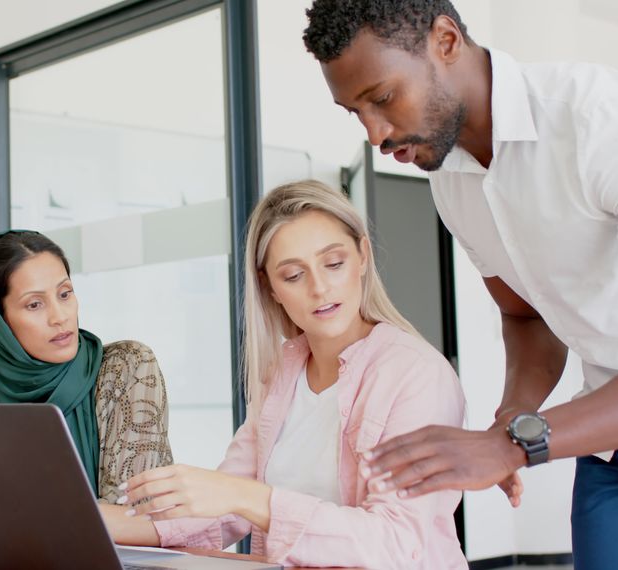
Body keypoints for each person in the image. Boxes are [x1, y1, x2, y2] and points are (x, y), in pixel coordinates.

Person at [303, 1, 618, 568]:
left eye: (383, 98)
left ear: (446, 40)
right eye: (354, 111)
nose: (375, 134)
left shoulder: (609, 122)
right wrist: (514, 415)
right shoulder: (453, 182)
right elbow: (527, 316)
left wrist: (514, 444)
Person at [102, 180, 468, 569]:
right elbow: (221, 512)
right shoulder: (282, 373)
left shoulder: (417, 375)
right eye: (294, 275)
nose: (320, 287)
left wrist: (250, 498)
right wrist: (83, 515)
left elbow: (395, 545)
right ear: (270, 287)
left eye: (333, 263)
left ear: (362, 256)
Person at [0, 230, 174, 557]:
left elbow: (145, 518)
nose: (60, 316)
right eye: (35, 304)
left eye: (65, 294)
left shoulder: (127, 368)